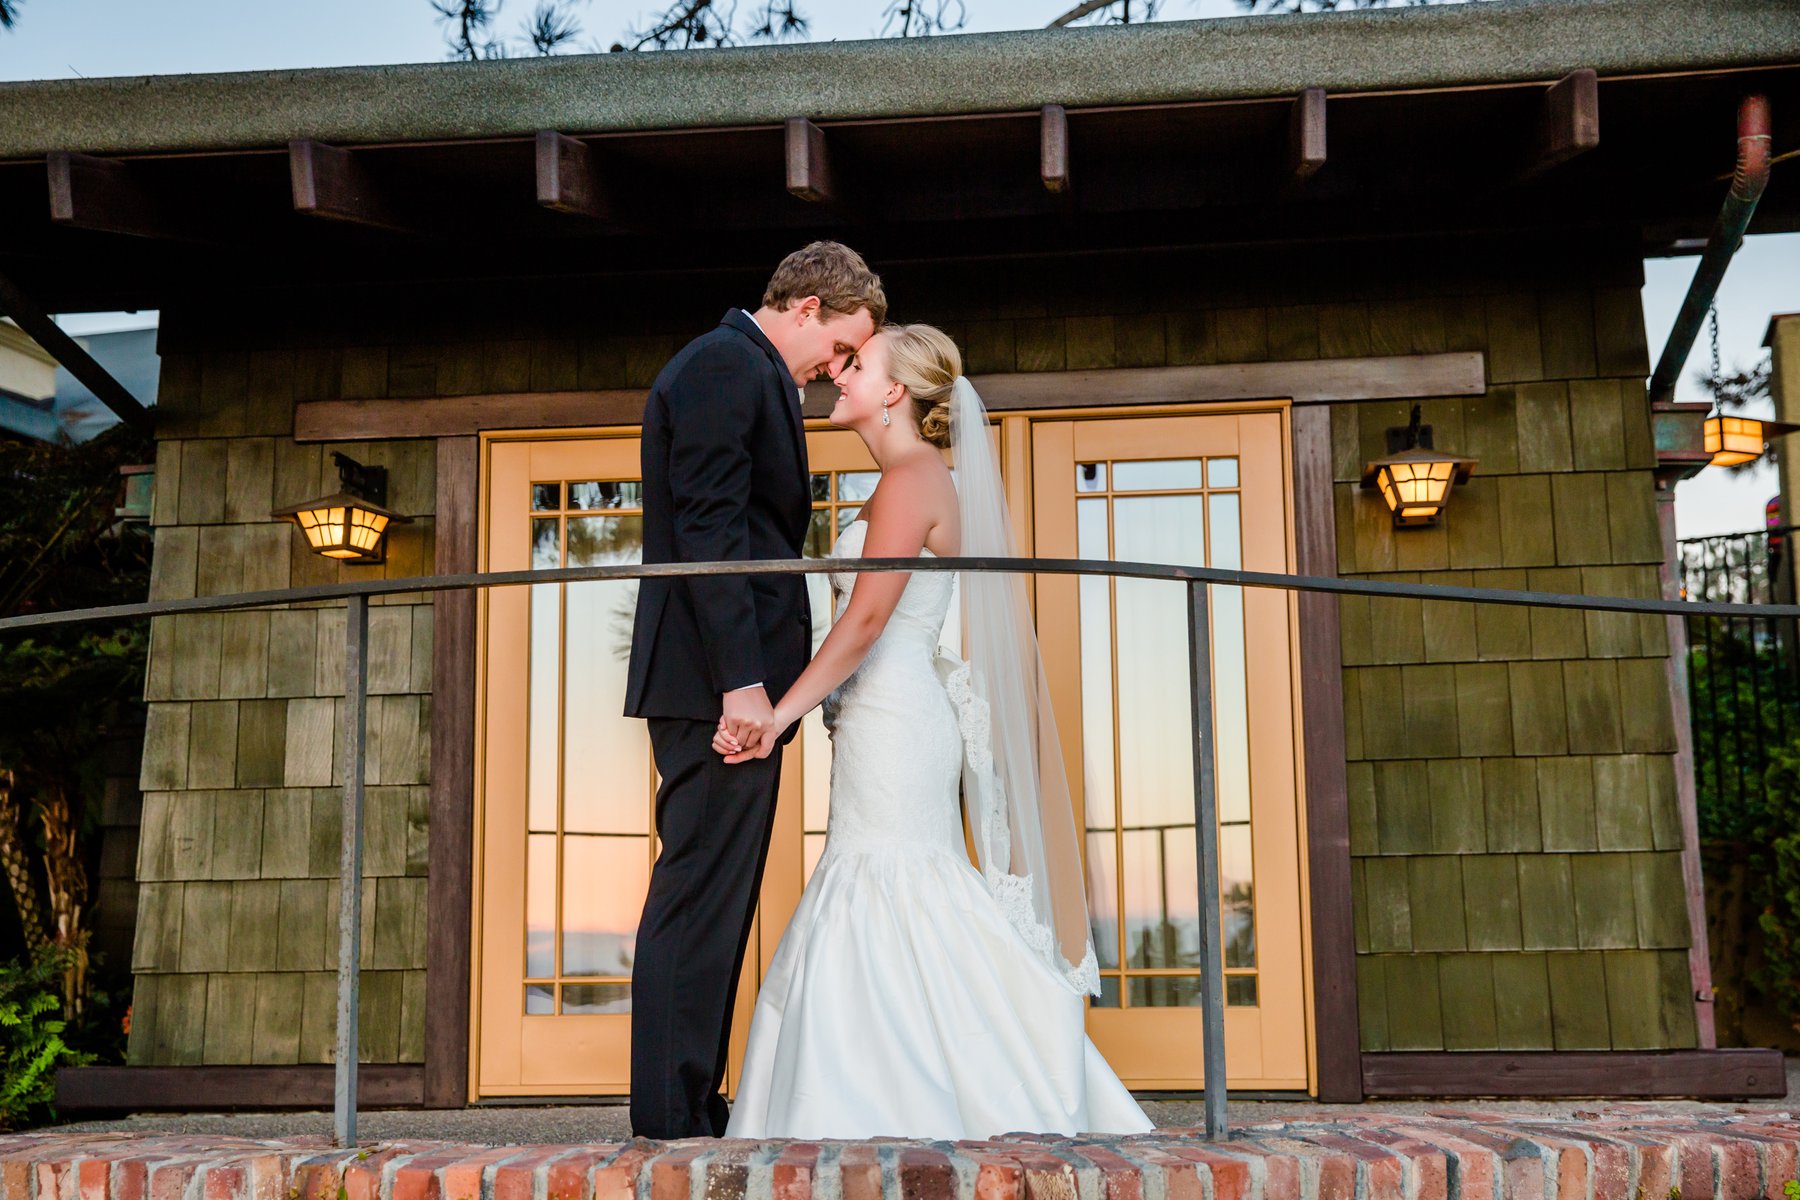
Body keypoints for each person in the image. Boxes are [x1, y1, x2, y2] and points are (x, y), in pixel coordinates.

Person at [714, 324, 1154, 1140]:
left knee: (891, 882)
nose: (839, 375)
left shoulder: (912, 478)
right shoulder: (910, 479)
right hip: (882, 718)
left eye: (857, 365)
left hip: (896, 718)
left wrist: (778, 715)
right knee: (891, 882)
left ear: (894, 392)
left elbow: (866, 621)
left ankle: (904, 1100)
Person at [623, 241, 885, 1140]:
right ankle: (669, 1120)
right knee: (699, 891)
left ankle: (694, 1101)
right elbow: (710, 530)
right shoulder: (726, 365)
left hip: (732, 686)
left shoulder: (744, 368)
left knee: (722, 895)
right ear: (808, 307)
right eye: (840, 346)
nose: (836, 369)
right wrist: (742, 685)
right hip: (715, 689)